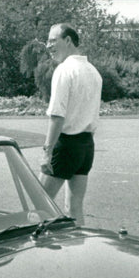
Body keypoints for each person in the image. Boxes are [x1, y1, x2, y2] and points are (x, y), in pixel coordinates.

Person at [40, 23, 102, 226]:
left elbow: (57, 115)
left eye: (53, 40)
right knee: (74, 208)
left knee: (39, 203)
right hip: (86, 146)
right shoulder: (93, 71)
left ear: (68, 40)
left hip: (66, 144)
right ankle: (79, 245)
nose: (48, 46)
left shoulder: (64, 70)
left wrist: (47, 152)